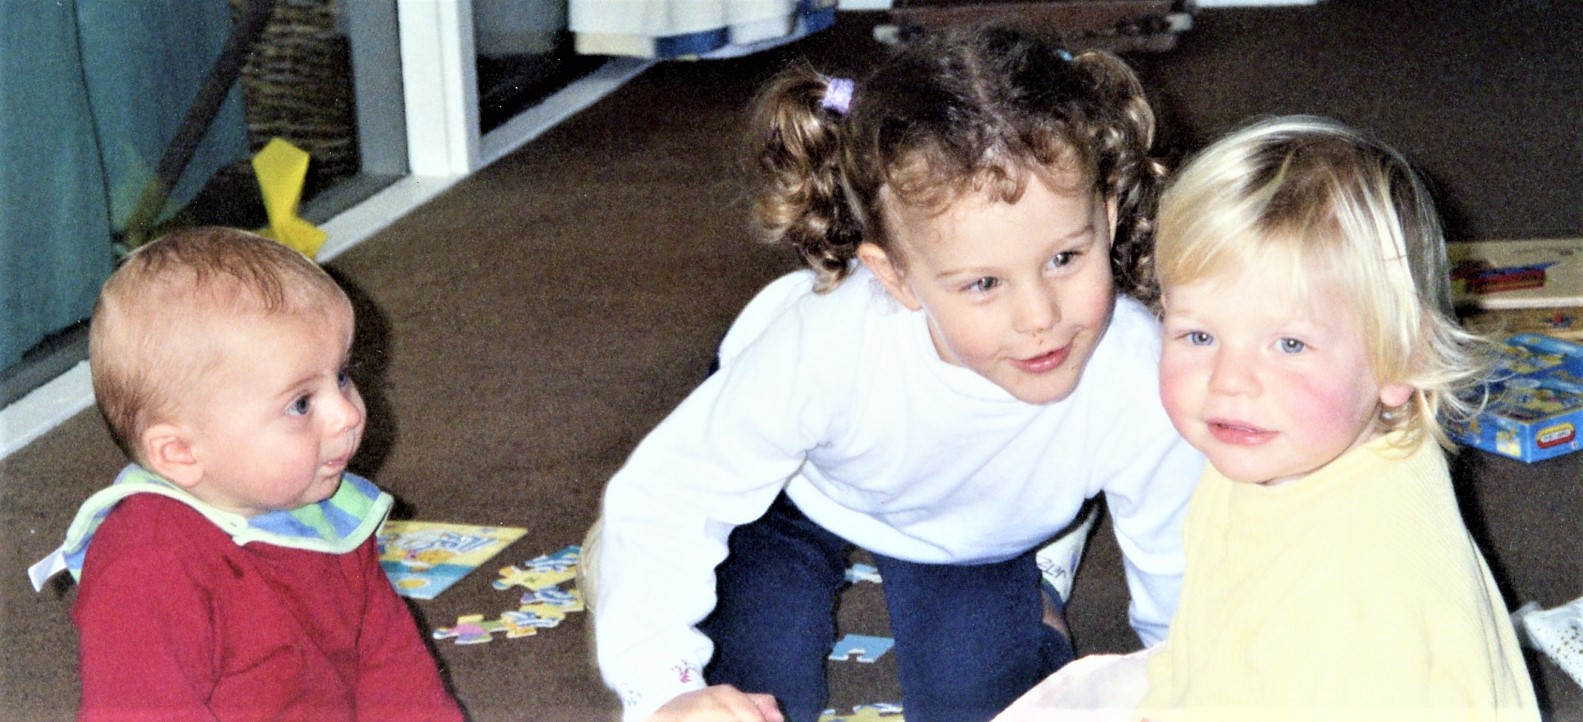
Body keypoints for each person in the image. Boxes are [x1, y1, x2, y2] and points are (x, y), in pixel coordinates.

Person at [590, 26, 1204, 722]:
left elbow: (1182, 565)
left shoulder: (1140, 372)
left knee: (985, 706)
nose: (1040, 317)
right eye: (983, 283)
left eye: (1064, 258)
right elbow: (670, 496)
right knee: (749, 687)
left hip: (976, 528)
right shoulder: (823, 350)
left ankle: (1036, 578)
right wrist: (663, 686)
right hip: (800, 489)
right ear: (895, 277)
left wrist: (1192, 686)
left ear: (1108, 218)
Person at [993, 116, 1541, 722]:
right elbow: (1214, 625)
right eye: (1199, 335)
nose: (1228, 380)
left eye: (1289, 345)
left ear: (1405, 359)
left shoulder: (1360, 593)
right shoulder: (1293, 441)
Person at [28, 227, 466, 722]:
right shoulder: (146, 563)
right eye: (301, 403)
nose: (348, 413)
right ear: (180, 453)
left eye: (342, 376)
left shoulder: (329, 514)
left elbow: (392, 666)